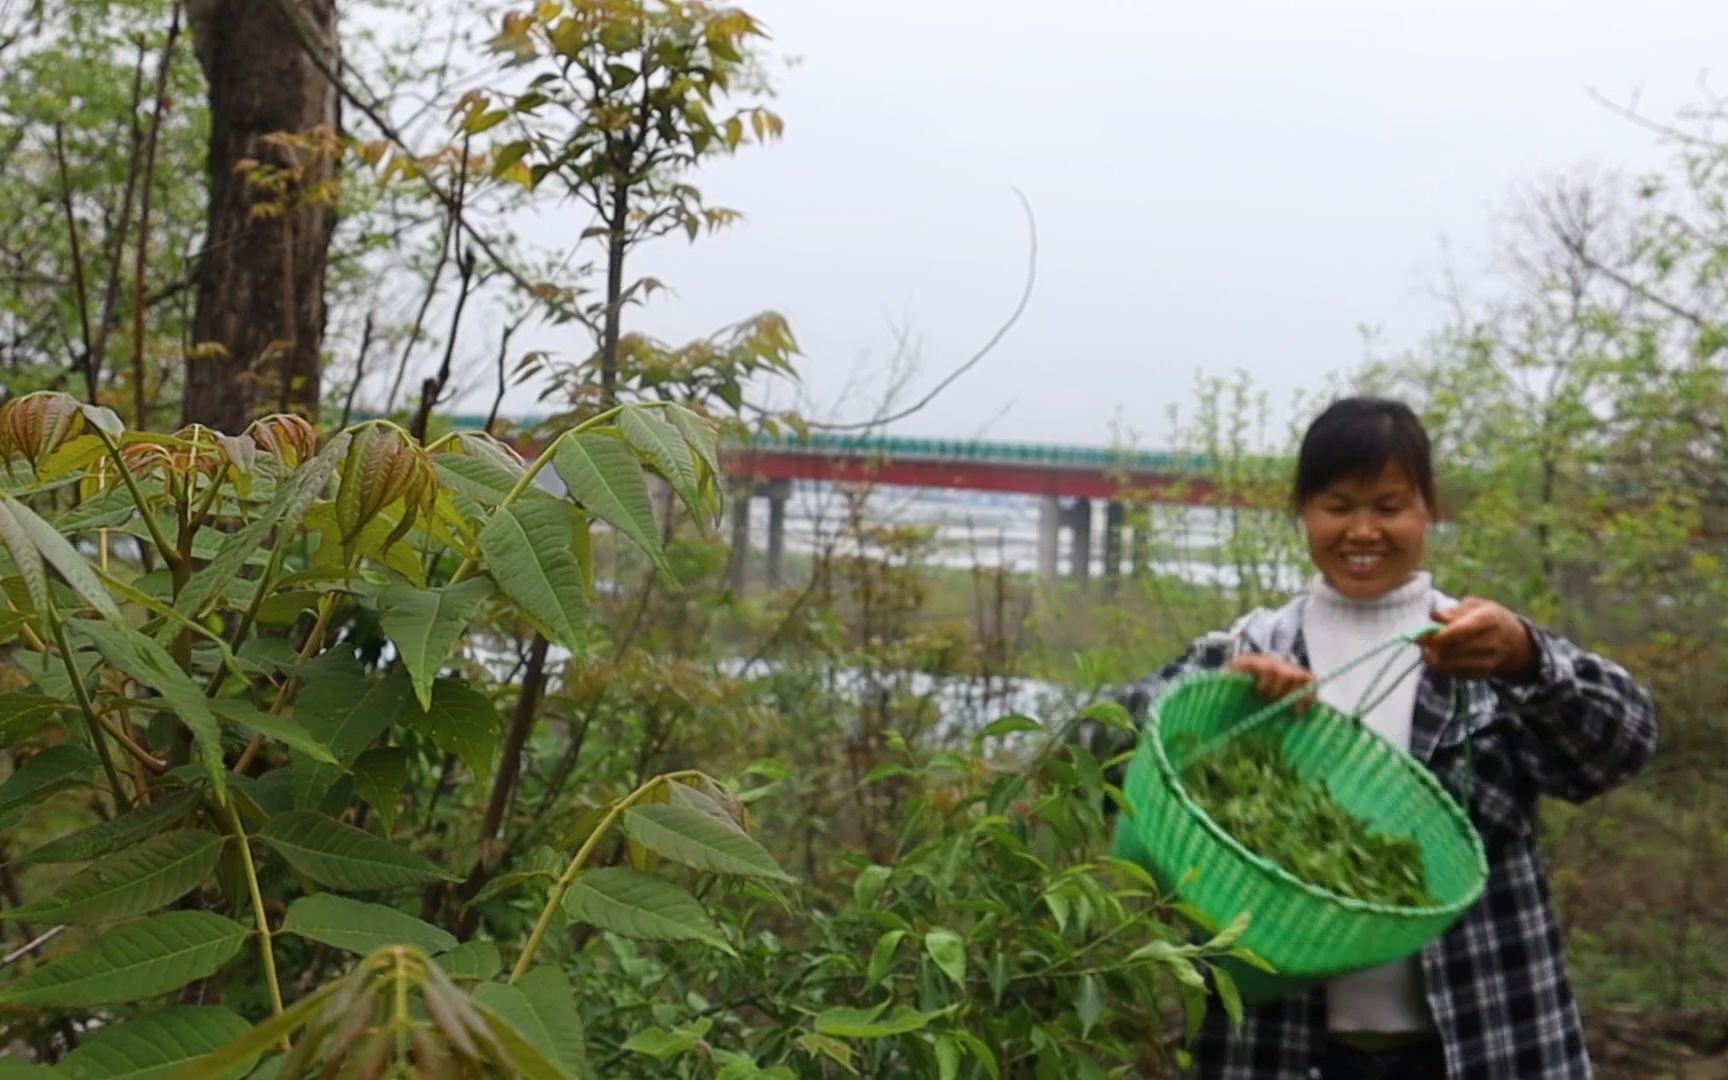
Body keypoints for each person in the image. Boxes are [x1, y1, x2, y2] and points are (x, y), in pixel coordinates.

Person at [1116, 397, 1657, 1080]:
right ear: (1303, 512)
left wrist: (1528, 656)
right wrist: (1214, 694)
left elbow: (1624, 745)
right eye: (1338, 506)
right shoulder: (1253, 648)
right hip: (1279, 1050)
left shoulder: (1480, 646)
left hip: (1486, 1039)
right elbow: (1087, 747)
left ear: (1426, 507)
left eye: (1390, 505)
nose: (1363, 530)